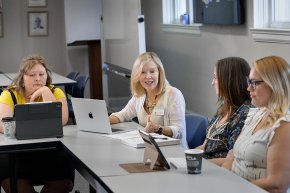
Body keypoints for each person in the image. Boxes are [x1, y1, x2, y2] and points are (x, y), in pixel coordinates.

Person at [0, 55, 74, 193]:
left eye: (42, 74)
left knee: (63, 180)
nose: (38, 78)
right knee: (8, 178)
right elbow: (3, 125)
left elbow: (62, 121)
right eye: (32, 75)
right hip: (19, 152)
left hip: (51, 151)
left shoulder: (55, 92)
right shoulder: (9, 94)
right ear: (22, 78)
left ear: (47, 76)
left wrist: (45, 92)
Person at [222, 56, 290, 193]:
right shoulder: (256, 114)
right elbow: (232, 157)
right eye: (249, 82)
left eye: (254, 83)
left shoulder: (284, 125)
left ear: (274, 84)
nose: (248, 88)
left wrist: (234, 188)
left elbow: (277, 184)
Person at [109, 52, 187, 148]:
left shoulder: (173, 94)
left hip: (173, 152)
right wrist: (103, 121)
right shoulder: (140, 95)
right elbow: (123, 115)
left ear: (159, 73)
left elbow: (179, 131)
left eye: (152, 71)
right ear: (137, 76)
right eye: (143, 72)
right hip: (150, 149)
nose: (148, 76)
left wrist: (158, 128)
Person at [197, 57, 252, 164]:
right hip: (204, 167)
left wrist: (201, 163)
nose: (212, 83)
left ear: (229, 81)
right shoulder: (223, 109)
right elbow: (204, 146)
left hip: (221, 172)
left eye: (215, 78)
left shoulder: (245, 113)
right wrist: (189, 156)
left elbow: (233, 158)